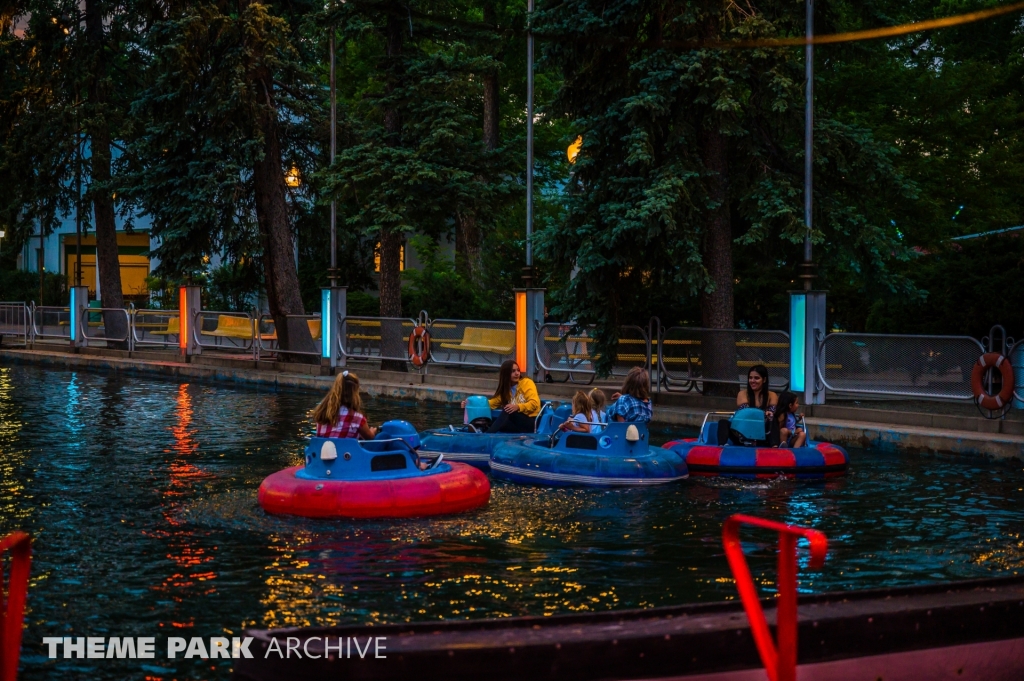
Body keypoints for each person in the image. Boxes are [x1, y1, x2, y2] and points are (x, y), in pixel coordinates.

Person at [460, 359, 540, 433]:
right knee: (489, 419)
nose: (517, 373)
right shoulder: (506, 390)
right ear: (506, 374)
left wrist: (518, 407)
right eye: (513, 371)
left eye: (518, 370)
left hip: (531, 423)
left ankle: (487, 435)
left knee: (507, 410)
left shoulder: (527, 383)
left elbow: (534, 403)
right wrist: (470, 404)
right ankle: (478, 429)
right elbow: (491, 403)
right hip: (516, 425)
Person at [312, 370, 377, 439]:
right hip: (345, 449)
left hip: (323, 448)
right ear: (354, 393)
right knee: (384, 436)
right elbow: (370, 438)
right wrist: (372, 432)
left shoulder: (322, 412)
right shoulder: (356, 417)